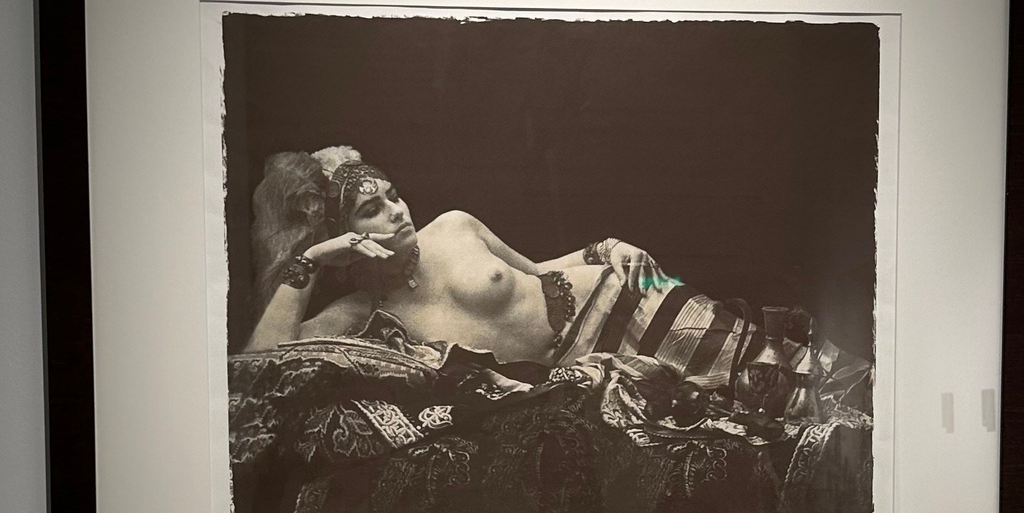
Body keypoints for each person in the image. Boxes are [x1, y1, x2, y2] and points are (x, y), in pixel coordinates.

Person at [242, 145, 870, 423]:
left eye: (394, 195)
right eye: (370, 210)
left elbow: (539, 268)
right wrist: (311, 262)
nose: (396, 211)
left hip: (626, 295)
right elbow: (255, 366)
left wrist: (606, 246)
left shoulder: (453, 225)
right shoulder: (360, 314)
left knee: (785, 367)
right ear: (342, 235)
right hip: (593, 367)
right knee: (753, 415)